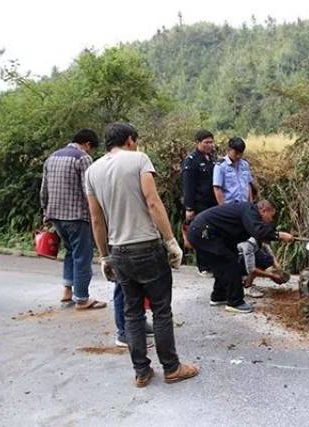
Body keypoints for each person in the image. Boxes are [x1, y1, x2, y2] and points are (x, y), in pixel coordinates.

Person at [85, 122, 198, 387]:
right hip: (146, 245)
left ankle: (141, 372)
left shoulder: (92, 171)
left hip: (119, 251)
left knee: (132, 312)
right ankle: (171, 368)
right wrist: (171, 241)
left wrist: (104, 256)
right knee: (160, 310)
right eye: (135, 141)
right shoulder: (138, 159)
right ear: (129, 139)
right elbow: (152, 202)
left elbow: (96, 218)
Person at [40, 128, 106, 310]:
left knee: (70, 252)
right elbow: (89, 190)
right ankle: (83, 299)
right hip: (77, 216)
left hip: (55, 215)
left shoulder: (52, 157)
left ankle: (67, 292)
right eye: (91, 149)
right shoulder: (82, 158)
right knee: (83, 256)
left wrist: (45, 211)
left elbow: (44, 188)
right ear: (88, 144)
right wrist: (99, 213)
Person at [188, 200, 293, 313]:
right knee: (230, 263)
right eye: (271, 216)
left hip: (206, 232)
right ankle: (235, 302)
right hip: (203, 231)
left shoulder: (247, 212)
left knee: (223, 264)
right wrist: (279, 235)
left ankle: (219, 296)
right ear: (264, 210)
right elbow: (258, 231)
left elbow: (261, 234)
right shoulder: (250, 211)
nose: (271, 220)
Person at [181, 129, 218, 276]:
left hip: (212, 203)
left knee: (212, 233)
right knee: (201, 234)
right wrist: (189, 208)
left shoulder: (211, 158)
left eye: (211, 142)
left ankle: (213, 264)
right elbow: (188, 186)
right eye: (206, 142)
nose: (209, 145)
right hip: (199, 204)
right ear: (198, 143)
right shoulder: (191, 160)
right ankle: (204, 266)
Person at [212, 137, 253, 205]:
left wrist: (251, 204)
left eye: (241, 153)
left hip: (244, 205)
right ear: (228, 150)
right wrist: (223, 208)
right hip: (230, 206)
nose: (238, 156)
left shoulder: (245, 164)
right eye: (236, 153)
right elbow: (217, 188)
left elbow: (248, 184)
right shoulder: (220, 166)